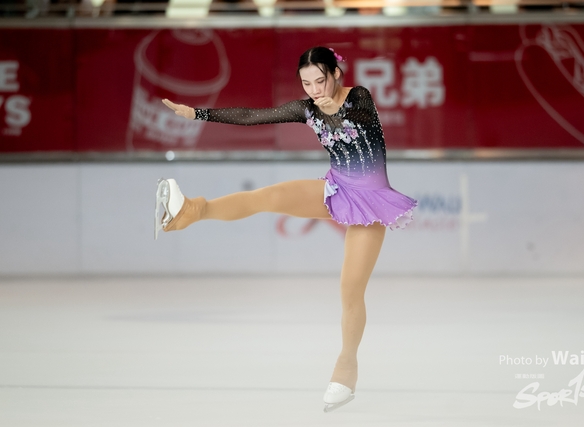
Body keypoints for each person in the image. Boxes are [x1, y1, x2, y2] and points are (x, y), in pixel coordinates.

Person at [159, 46, 417, 412]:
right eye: (306, 83)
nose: (314, 89)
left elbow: (355, 118)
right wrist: (198, 113)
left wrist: (327, 109)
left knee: (350, 290)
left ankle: (347, 367)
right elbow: (252, 116)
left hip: (372, 203)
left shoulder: (359, 96)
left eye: (320, 80)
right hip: (335, 188)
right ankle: (192, 211)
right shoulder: (305, 108)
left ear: (336, 74)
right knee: (268, 196)